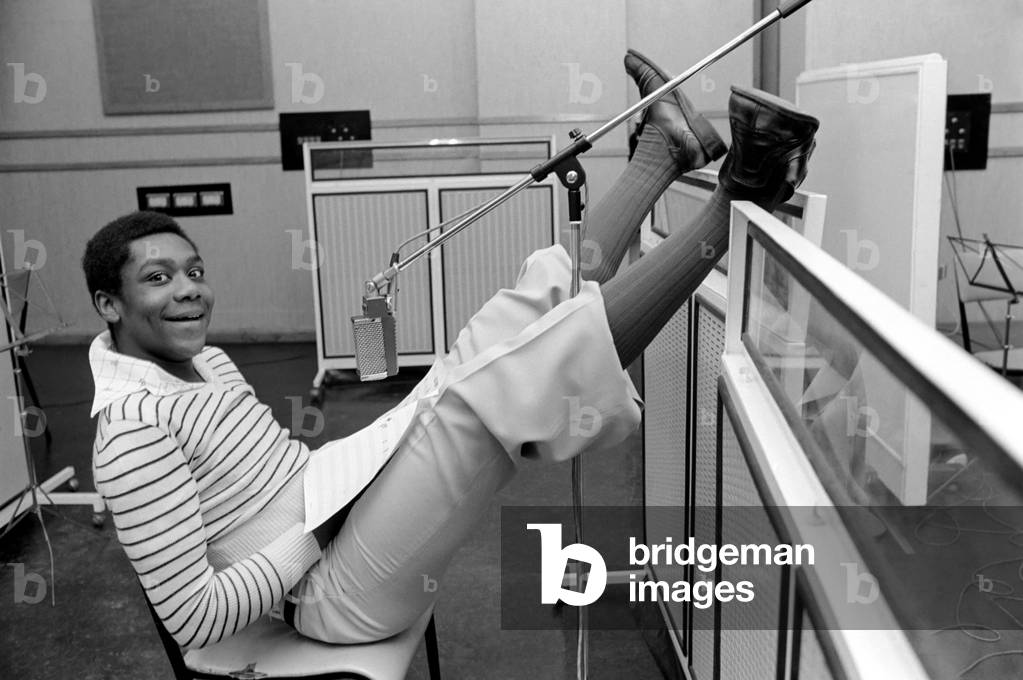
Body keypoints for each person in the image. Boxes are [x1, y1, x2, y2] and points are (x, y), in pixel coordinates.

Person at [84, 50, 818, 649]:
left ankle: (661, 153)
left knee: (503, 321)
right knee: (479, 401)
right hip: (325, 596)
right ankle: (738, 200)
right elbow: (195, 619)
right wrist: (323, 523)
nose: (187, 291)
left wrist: (342, 489)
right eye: (157, 278)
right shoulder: (132, 432)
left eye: (195, 271)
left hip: (333, 506)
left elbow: (275, 479)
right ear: (109, 305)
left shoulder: (203, 362)